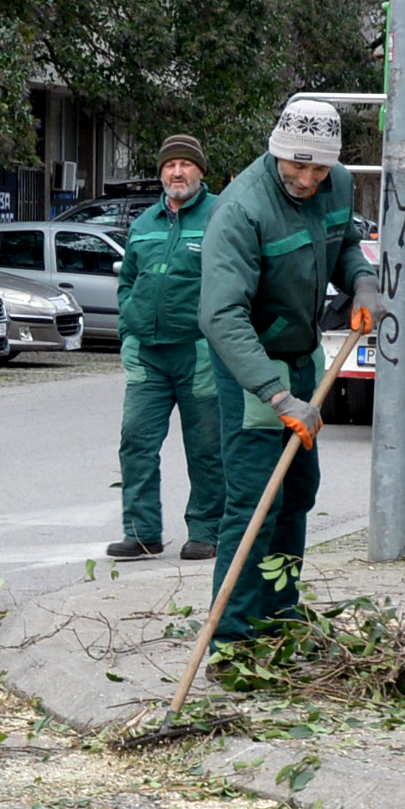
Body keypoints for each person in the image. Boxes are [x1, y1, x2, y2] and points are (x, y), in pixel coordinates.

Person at [195, 98, 361, 643]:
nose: (308, 179)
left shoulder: (337, 184)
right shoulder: (241, 209)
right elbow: (221, 315)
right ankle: (233, 636)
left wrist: (364, 282)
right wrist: (276, 396)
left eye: (319, 168)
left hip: (302, 357)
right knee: (255, 501)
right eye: (297, 166)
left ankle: (278, 615)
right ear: (276, 150)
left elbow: (347, 248)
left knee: (297, 494)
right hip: (252, 365)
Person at [106, 134, 235, 561]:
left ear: (201, 170)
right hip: (147, 354)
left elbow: (236, 279)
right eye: (169, 166)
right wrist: (129, 328)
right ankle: (141, 533)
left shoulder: (221, 214)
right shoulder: (144, 224)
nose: (176, 173)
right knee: (135, 442)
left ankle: (206, 530)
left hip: (198, 351)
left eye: (185, 165)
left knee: (205, 447)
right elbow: (127, 282)